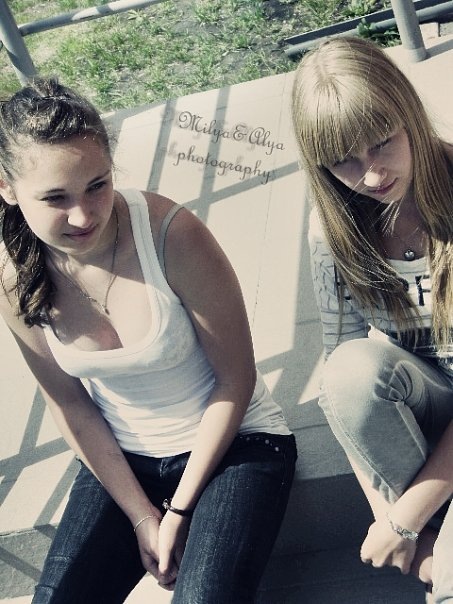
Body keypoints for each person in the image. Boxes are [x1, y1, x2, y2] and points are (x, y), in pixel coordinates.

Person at [0, 78, 297, 604]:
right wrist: (142, 516)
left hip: (236, 444)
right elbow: (70, 406)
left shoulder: (171, 234)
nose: (83, 215)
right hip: (127, 457)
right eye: (55, 198)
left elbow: (236, 380)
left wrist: (178, 510)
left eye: (97, 185)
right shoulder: (15, 276)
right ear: (7, 188)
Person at [291, 36, 453, 602]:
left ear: (408, 112)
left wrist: (406, 520)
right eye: (344, 160)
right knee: (350, 369)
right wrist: (390, 519)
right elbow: (340, 393)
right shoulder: (333, 232)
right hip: (430, 396)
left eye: (382, 142)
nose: (372, 173)